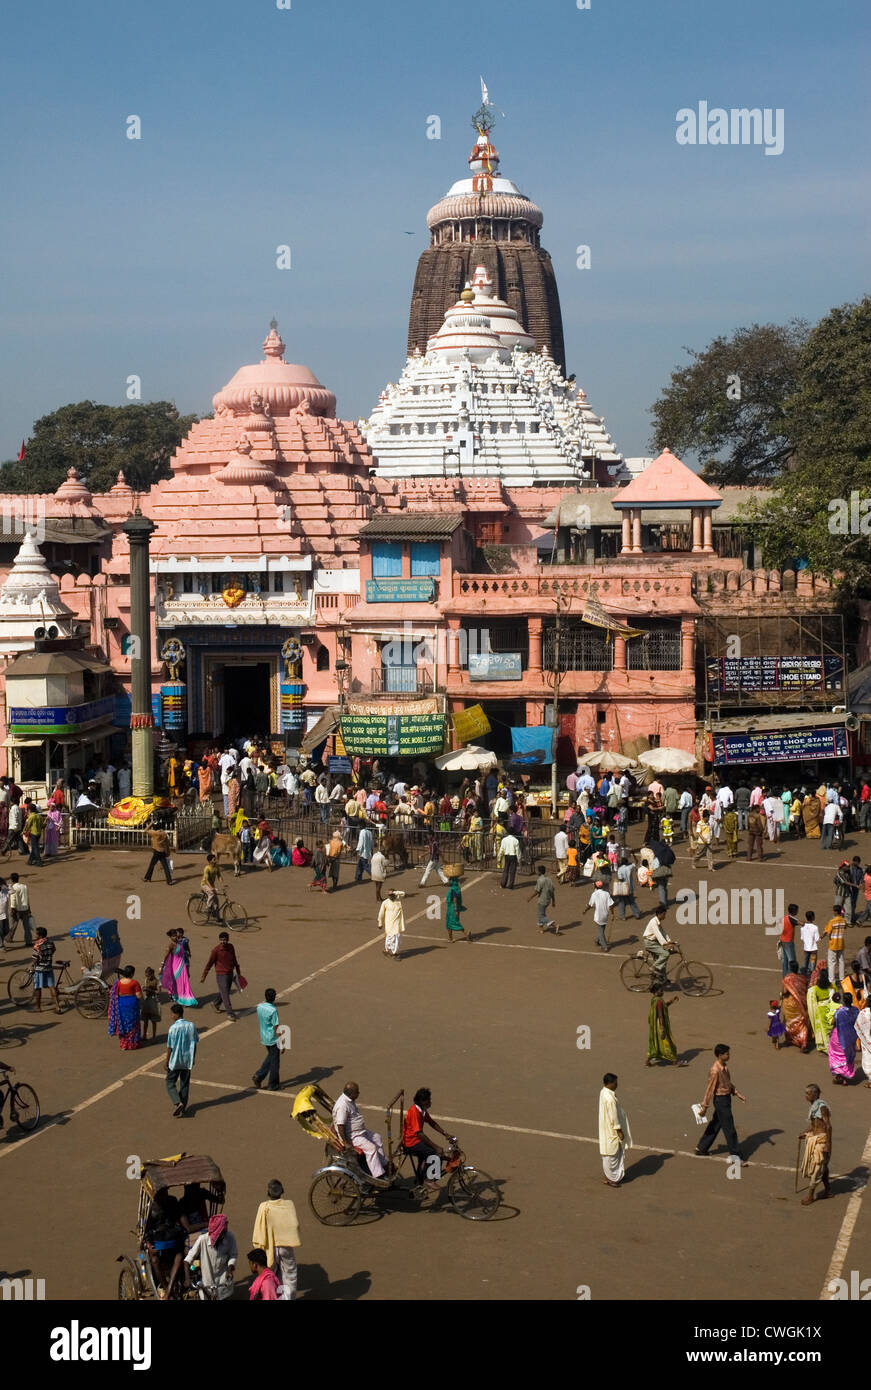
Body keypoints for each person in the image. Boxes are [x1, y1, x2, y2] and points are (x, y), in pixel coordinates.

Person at [252, 1179, 301, 1301]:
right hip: (286, 1246)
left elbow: (259, 1228)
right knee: (289, 1275)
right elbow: (294, 1225)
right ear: (282, 1191)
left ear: (268, 1193)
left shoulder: (263, 1207)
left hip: (270, 1247)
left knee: (270, 1275)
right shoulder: (289, 1204)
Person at [695, 1044, 746, 1161]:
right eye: (727, 1053)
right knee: (729, 1129)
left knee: (716, 1124)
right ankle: (736, 1155)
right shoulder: (715, 1071)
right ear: (720, 1055)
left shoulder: (724, 1067)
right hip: (721, 1101)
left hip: (726, 1098)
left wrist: (737, 1093)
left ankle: (701, 1147)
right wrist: (704, 1107)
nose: (729, 1055)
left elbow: (727, 1083)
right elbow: (710, 1089)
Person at [402, 1086, 453, 1189]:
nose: (430, 1102)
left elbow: (431, 1122)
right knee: (436, 1154)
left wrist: (445, 1134)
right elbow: (419, 1134)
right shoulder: (415, 1112)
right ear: (421, 1101)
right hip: (411, 1143)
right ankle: (429, 1179)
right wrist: (436, 1147)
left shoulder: (422, 1110)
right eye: (428, 1100)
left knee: (428, 1156)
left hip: (415, 1140)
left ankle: (420, 1182)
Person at [332, 1082, 387, 1177]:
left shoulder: (349, 1100)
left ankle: (383, 1164)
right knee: (371, 1148)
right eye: (357, 1092)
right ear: (350, 1094)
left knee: (377, 1137)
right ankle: (378, 1175)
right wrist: (345, 1142)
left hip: (360, 1131)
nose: (358, 1093)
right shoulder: (342, 1105)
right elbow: (340, 1125)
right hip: (352, 1136)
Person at [185, 1213, 237, 1300]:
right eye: (221, 1234)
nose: (223, 1236)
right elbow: (187, 1260)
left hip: (223, 1281)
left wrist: (230, 1269)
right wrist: (187, 1279)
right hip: (207, 1283)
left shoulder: (230, 1237)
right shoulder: (203, 1240)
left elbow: (233, 1254)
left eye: (224, 1233)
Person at [598, 1074, 632, 1187]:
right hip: (611, 1130)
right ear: (610, 1083)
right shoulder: (609, 1098)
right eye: (615, 1082)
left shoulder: (604, 1092)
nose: (617, 1085)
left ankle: (618, 1174)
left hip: (607, 1127)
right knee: (612, 1155)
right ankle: (612, 1178)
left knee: (616, 1153)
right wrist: (619, 1131)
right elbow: (613, 1116)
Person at [165, 1003, 198, 1116]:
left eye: (172, 1014)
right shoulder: (191, 1025)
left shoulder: (173, 1028)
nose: (171, 1016)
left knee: (170, 1082)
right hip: (187, 1059)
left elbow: (170, 1047)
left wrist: (166, 1062)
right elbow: (195, 1042)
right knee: (184, 1083)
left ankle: (177, 1102)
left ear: (176, 1014)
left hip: (175, 1060)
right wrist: (193, 1058)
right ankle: (183, 1106)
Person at [201, 931, 240, 1021]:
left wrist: (238, 971)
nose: (223, 942)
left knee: (224, 991)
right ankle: (230, 1013)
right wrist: (204, 975)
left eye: (225, 940)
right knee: (226, 994)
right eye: (221, 940)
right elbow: (209, 963)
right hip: (221, 974)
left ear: (228, 940)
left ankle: (215, 1003)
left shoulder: (231, 947)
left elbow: (234, 959)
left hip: (230, 973)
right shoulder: (216, 950)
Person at [647, 984, 686, 1066]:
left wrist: (671, 1001)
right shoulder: (659, 1001)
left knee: (655, 1043)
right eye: (661, 990)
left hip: (655, 1025)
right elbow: (660, 1014)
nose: (662, 992)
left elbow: (663, 1007)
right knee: (669, 1042)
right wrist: (662, 1027)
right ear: (656, 992)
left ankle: (648, 1061)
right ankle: (675, 1061)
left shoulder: (654, 999)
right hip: (660, 1025)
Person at [251, 987, 281, 1091]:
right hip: (272, 1038)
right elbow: (276, 1026)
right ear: (274, 997)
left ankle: (259, 1076)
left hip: (264, 1036)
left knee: (271, 1057)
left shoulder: (260, 1007)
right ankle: (273, 1084)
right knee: (275, 1062)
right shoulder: (273, 1010)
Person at [107, 964, 142, 1050]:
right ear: (132, 974)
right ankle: (132, 1044)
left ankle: (124, 1045)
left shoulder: (118, 982)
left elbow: (113, 993)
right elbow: (139, 996)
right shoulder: (134, 983)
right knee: (133, 1025)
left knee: (123, 1024)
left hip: (121, 1006)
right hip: (132, 1006)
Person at [161, 928, 198, 1007]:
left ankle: (185, 998)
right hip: (175, 967)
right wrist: (162, 966)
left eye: (176, 935)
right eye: (173, 936)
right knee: (178, 984)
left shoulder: (180, 942)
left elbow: (186, 949)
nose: (175, 937)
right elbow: (166, 956)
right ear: (170, 937)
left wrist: (189, 953)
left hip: (182, 965)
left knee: (185, 983)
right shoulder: (171, 945)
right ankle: (180, 998)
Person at [829, 993, 859, 1084]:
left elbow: (833, 1022)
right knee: (847, 1056)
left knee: (836, 1055)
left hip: (838, 1037)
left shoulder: (839, 1012)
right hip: (851, 1037)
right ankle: (845, 1076)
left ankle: (839, 1076)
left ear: (843, 1001)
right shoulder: (856, 1010)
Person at [30, 927, 61, 1013]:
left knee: (38, 987)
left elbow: (35, 958)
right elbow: (54, 950)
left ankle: (38, 1007)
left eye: (36, 934)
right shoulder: (50, 942)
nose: (35, 935)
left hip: (40, 969)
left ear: (40, 935)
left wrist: (32, 965)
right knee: (51, 987)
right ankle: (57, 1007)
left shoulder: (37, 945)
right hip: (48, 967)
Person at [807, 968, 837, 1053]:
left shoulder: (815, 989)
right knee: (831, 1027)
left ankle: (825, 1047)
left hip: (820, 1009)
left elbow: (812, 1000)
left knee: (823, 1029)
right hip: (831, 1008)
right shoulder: (832, 986)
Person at [781, 972, 813, 1051]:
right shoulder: (802, 979)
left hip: (789, 1004)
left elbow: (784, 992)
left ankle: (790, 1040)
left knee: (789, 1022)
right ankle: (803, 1043)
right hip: (800, 1004)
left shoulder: (788, 979)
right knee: (801, 1022)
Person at [642, 907, 675, 978]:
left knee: (662, 962)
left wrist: (669, 941)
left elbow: (663, 932)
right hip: (650, 943)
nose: (665, 916)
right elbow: (658, 934)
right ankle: (653, 967)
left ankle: (663, 978)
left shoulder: (658, 921)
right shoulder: (653, 922)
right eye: (664, 914)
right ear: (659, 914)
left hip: (654, 942)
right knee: (665, 954)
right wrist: (665, 944)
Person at [585, 878, 614, 953]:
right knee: (602, 928)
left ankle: (604, 946)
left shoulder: (594, 894)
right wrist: (612, 913)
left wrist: (585, 910)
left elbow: (590, 905)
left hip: (598, 915)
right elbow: (611, 905)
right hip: (605, 914)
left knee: (600, 931)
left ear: (595, 887)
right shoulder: (606, 894)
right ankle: (597, 940)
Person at [529, 863, 557, 935]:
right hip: (548, 900)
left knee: (541, 916)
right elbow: (552, 891)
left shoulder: (540, 880)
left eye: (537, 871)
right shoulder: (549, 879)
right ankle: (541, 929)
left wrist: (530, 897)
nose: (536, 872)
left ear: (540, 872)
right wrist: (553, 901)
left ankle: (554, 925)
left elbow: (536, 891)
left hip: (542, 900)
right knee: (540, 914)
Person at [823, 903, 847, 987]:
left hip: (833, 944)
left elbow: (828, 931)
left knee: (832, 962)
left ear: (836, 912)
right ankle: (842, 978)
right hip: (841, 944)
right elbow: (845, 927)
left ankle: (832, 980)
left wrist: (822, 936)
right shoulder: (843, 920)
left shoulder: (832, 921)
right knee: (841, 961)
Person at [378, 889, 406, 959]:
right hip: (389, 924)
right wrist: (380, 923)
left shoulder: (398, 900)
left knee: (397, 938)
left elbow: (403, 893)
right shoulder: (385, 902)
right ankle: (391, 952)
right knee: (390, 938)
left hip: (397, 924)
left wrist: (395, 892)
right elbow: (381, 913)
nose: (391, 896)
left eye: (392, 895)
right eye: (389, 895)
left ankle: (393, 952)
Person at [445, 872, 472, 943]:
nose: (448, 881)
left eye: (450, 880)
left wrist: (456, 910)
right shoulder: (457, 888)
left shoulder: (453, 890)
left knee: (454, 923)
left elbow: (455, 900)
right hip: (451, 908)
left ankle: (466, 933)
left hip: (452, 909)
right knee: (449, 923)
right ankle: (450, 938)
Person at [8, 873, 33, 946]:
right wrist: (29, 908)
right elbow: (27, 898)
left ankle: (9, 938)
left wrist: (12, 909)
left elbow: (13, 899)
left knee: (13, 925)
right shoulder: (24, 886)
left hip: (16, 910)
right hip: (25, 908)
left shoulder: (13, 888)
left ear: (12, 879)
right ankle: (28, 941)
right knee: (26, 926)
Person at [614, 853, 641, 920]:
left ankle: (622, 916)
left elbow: (621, 879)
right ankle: (637, 914)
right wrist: (634, 855)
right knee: (632, 902)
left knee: (622, 902)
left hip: (623, 889)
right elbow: (636, 862)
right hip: (630, 887)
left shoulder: (620, 869)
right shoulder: (630, 867)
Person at [141, 966, 161, 1042]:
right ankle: (144, 1035)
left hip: (153, 1002)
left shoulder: (158, 981)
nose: (148, 977)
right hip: (147, 1001)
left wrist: (148, 989)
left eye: (149, 976)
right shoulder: (146, 980)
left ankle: (154, 1036)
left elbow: (159, 992)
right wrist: (144, 989)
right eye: (146, 976)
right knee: (145, 1020)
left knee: (153, 1020)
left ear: (152, 974)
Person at [780, 904, 799, 977]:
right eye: (797, 910)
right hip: (789, 942)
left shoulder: (784, 918)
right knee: (792, 960)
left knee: (785, 960)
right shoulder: (792, 919)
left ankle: (785, 976)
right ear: (794, 911)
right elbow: (801, 923)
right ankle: (791, 976)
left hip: (783, 940)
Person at [201, 853, 222, 921]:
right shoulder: (207, 868)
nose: (215, 860)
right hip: (204, 884)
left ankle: (217, 917)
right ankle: (208, 908)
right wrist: (211, 888)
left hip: (211, 885)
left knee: (216, 901)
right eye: (214, 859)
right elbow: (206, 880)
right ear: (210, 861)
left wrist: (222, 883)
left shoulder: (216, 867)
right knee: (212, 894)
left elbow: (219, 876)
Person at [800, 910, 820, 977]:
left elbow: (802, 938)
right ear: (813, 917)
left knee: (805, 963)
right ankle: (811, 978)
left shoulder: (802, 927)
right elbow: (817, 939)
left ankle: (803, 976)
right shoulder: (815, 927)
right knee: (812, 964)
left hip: (806, 949)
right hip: (813, 950)